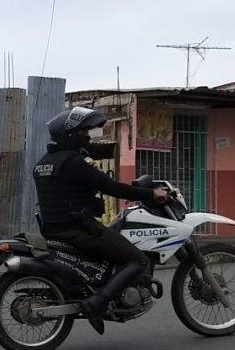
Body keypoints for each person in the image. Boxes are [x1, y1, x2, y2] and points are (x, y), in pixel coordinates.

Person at [33, 106, 169, 335]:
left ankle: (102, 291)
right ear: (71, 135)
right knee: (138, 260)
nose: (87, 138)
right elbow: (111, 187)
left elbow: (68, 192)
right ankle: (97, 303)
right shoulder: (73, 162)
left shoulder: (43, 163)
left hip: (55, 230)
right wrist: (150, 194)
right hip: (80, 231)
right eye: (83, 133)